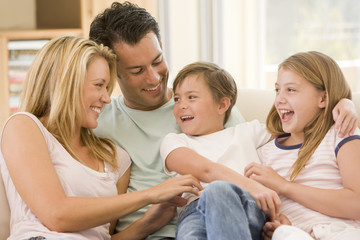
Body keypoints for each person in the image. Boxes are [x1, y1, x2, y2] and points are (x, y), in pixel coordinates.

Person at [89, 2, 359, 239]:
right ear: (112, 73)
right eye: (137, 70)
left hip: (235, 213)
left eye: (158, 61)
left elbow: (294, 124)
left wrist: (342, 100)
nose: (154, 78)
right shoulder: (98, 120)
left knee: (219, 193)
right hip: (169, 225)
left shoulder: (214, 109)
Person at [0, 35, 202, 240]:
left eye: (107, 88)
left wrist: (146, 225)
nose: (106, 98)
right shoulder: (24, 126)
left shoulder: (115, 158)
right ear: (66, 83)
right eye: (99, 85)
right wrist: (150, 194)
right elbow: (56, 215)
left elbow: (103, 237)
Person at [244, 51, 360, 240]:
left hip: (342, 233)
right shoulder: (264, 152)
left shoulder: (341, 134)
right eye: (277, 90)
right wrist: (276, 225)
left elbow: (357, 204)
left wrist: (285, 186)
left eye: (291, 90)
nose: (279, 99)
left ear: (323, 99)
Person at [159, 61, 282, 239]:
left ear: (222, 105)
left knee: (219, 190)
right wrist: (252, 185)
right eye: (177, 99)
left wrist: (338, 102)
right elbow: (205, 170)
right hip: (195, 211)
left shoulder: (248, 131)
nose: (181, 105)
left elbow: (299, 125)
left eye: (191, 97)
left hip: (245, 205)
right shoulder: (173, 141)